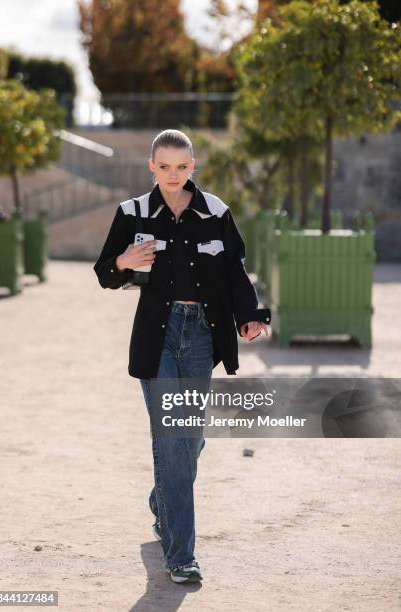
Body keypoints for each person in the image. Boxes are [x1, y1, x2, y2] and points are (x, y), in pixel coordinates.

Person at [93, 129, 270, 584]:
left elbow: (235, 270)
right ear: (152, 166)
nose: (174, 175)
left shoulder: (215, 212)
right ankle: (181, 556)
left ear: (193, 166)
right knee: (173, 439)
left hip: (203, 337)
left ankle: (162, 503)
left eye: (183, 166)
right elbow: (104, 273)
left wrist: (248, 316)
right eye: (165, 166)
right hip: (159, 337)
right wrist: (123, 262)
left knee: (190, 441)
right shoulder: (131, 213)